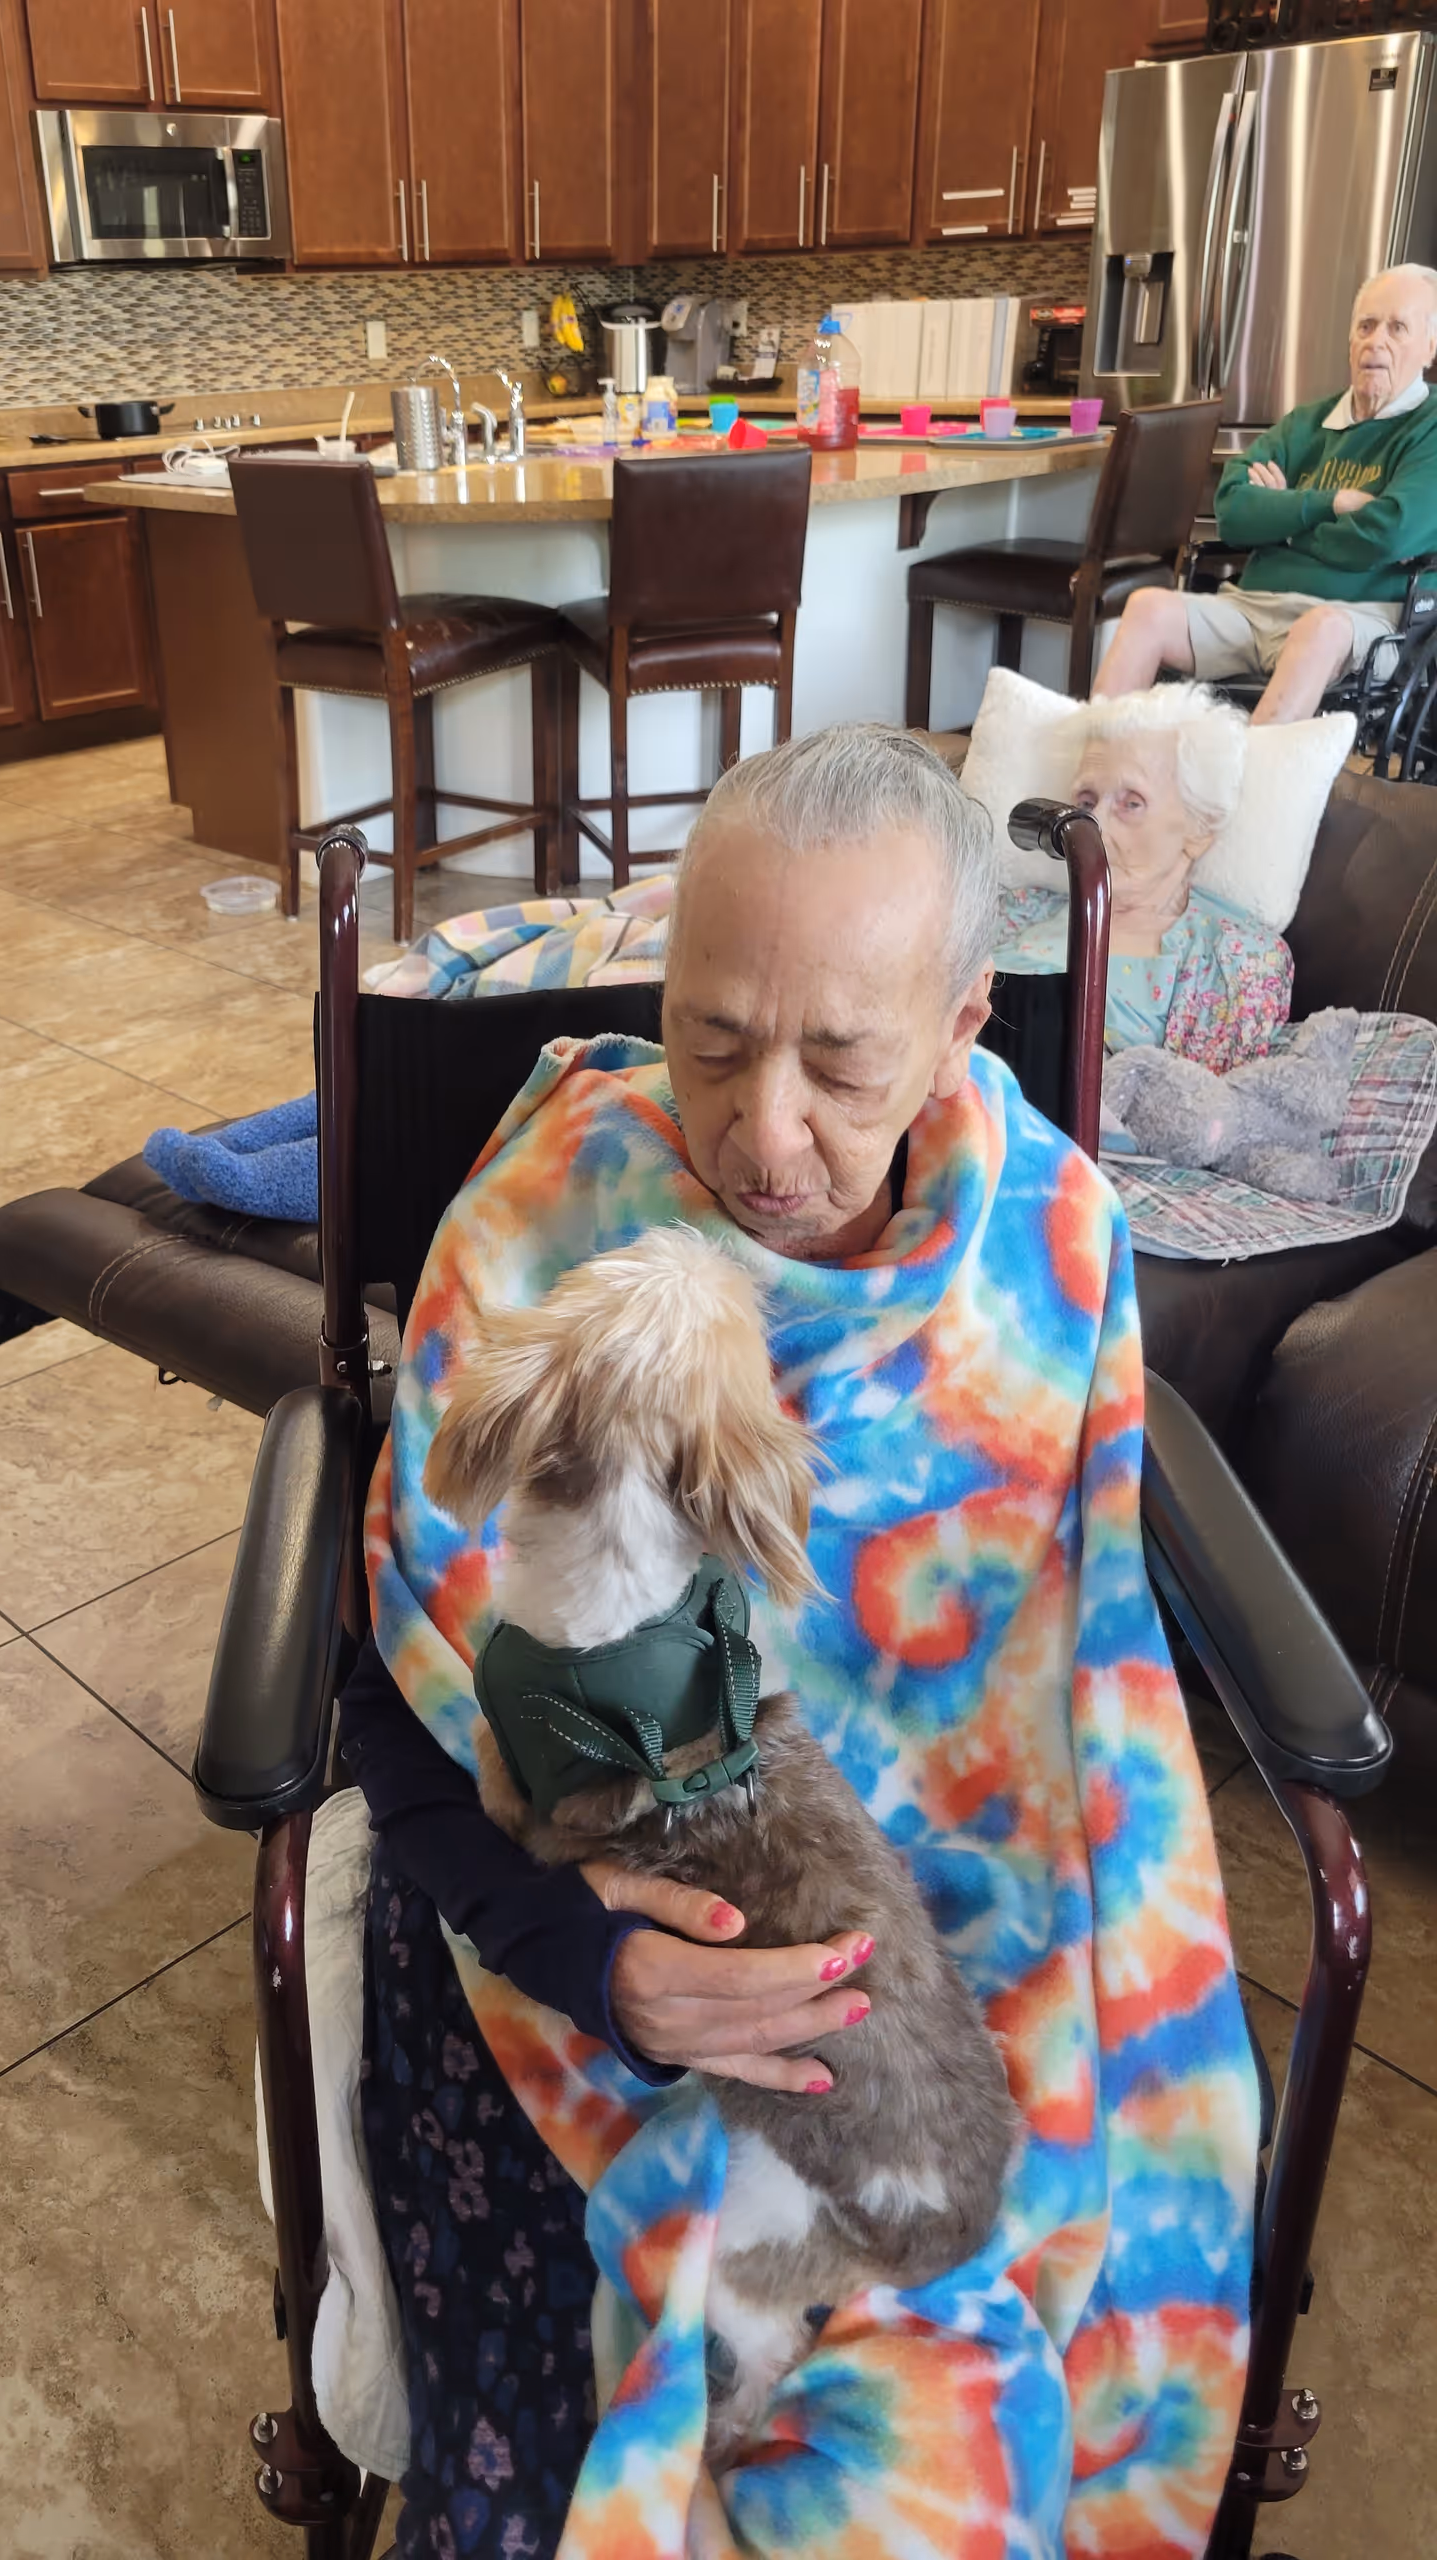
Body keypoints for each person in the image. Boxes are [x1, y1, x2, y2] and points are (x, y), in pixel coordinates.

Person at [339, 724, 1258, 2558]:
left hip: (967, 1964)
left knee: (1014, 2363)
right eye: (709, 1041)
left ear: (962, 1020)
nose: (767, 1135)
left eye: (842, 1063)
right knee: (561, 2457)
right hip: (576, 1949)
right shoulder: (546, 1226)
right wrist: (603, 1972)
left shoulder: (1056, 1246)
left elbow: (1077, 1684)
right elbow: (393, 1691)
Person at [1094, 263, 1437, 723]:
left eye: (1398, 327)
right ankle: (1092, 774)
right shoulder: (1308, 423)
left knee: (1319, 630)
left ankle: (1253, 789)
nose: (1376, 341)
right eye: (1366, 325)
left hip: (1358, 619)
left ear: (1430, 348)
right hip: (1252, 606)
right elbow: (1233, 509)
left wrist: (1284, 526)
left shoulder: (1428, 426)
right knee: (1148, 607)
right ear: (1350, 339)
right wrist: (1330, 504)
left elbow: (1389, 531)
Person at [996, 681, 1291, 1071]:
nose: (1093, 823)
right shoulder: (1020, 910)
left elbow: (1195, 1115)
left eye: (1131, 803)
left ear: (1199, 827)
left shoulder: (1236, 961)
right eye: (1085, 802)